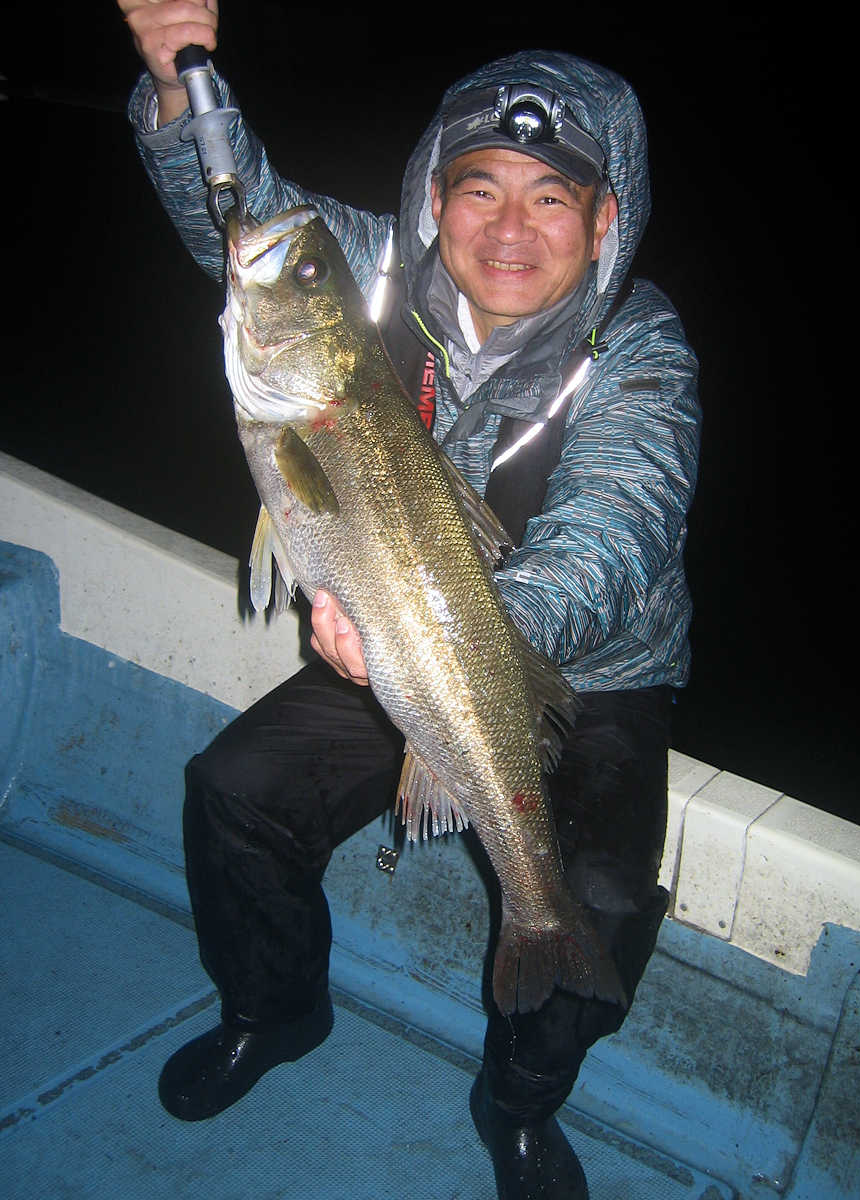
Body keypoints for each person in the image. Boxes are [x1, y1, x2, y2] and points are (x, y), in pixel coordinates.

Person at [118, 3, 701, 1197]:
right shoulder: (361, 274)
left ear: (604, 219)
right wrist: (180, 86)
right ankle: (277, 1011)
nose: (509, 228)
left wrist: (438, 652)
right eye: (479, 188)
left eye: (551, 198)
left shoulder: (641, 352)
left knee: (591, 900)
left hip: (584, 668)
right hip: (395, 634)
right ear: (434, 196)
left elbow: (611, 541)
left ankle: (518, 1103)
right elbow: (241, 213)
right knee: (234, 791)